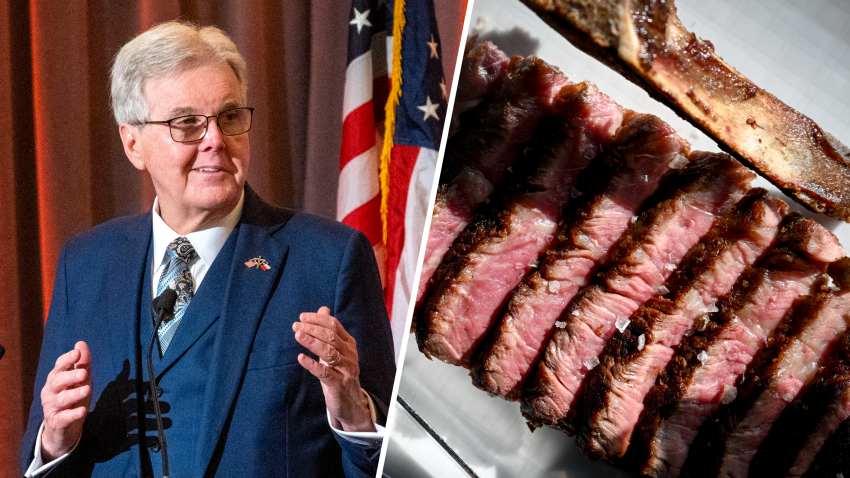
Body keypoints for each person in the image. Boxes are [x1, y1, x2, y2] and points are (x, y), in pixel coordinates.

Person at [19, 21, 396, 477]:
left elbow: (394, 459)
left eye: (230, 117)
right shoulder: (86, 264)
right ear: (133, 142)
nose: (215, 139)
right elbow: (40, 459)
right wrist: (54, 442)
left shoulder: (329, 260)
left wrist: (356, 417)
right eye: (187, 124)